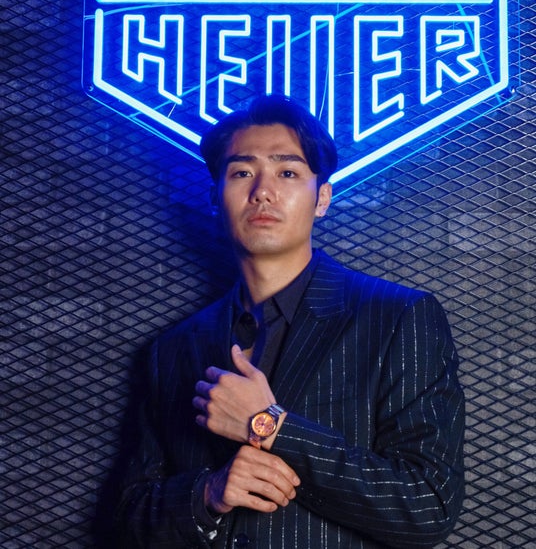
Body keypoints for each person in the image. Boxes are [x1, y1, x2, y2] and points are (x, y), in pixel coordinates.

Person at [113, 94, 464, 548]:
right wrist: (207, 494)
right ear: (216, 197)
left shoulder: (397, 317)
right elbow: (130, 515)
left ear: (322, 199)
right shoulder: (174, 349)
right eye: (242, 173)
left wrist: (269, 424)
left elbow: (428, 505)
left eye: (287, 173)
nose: (263, 190)